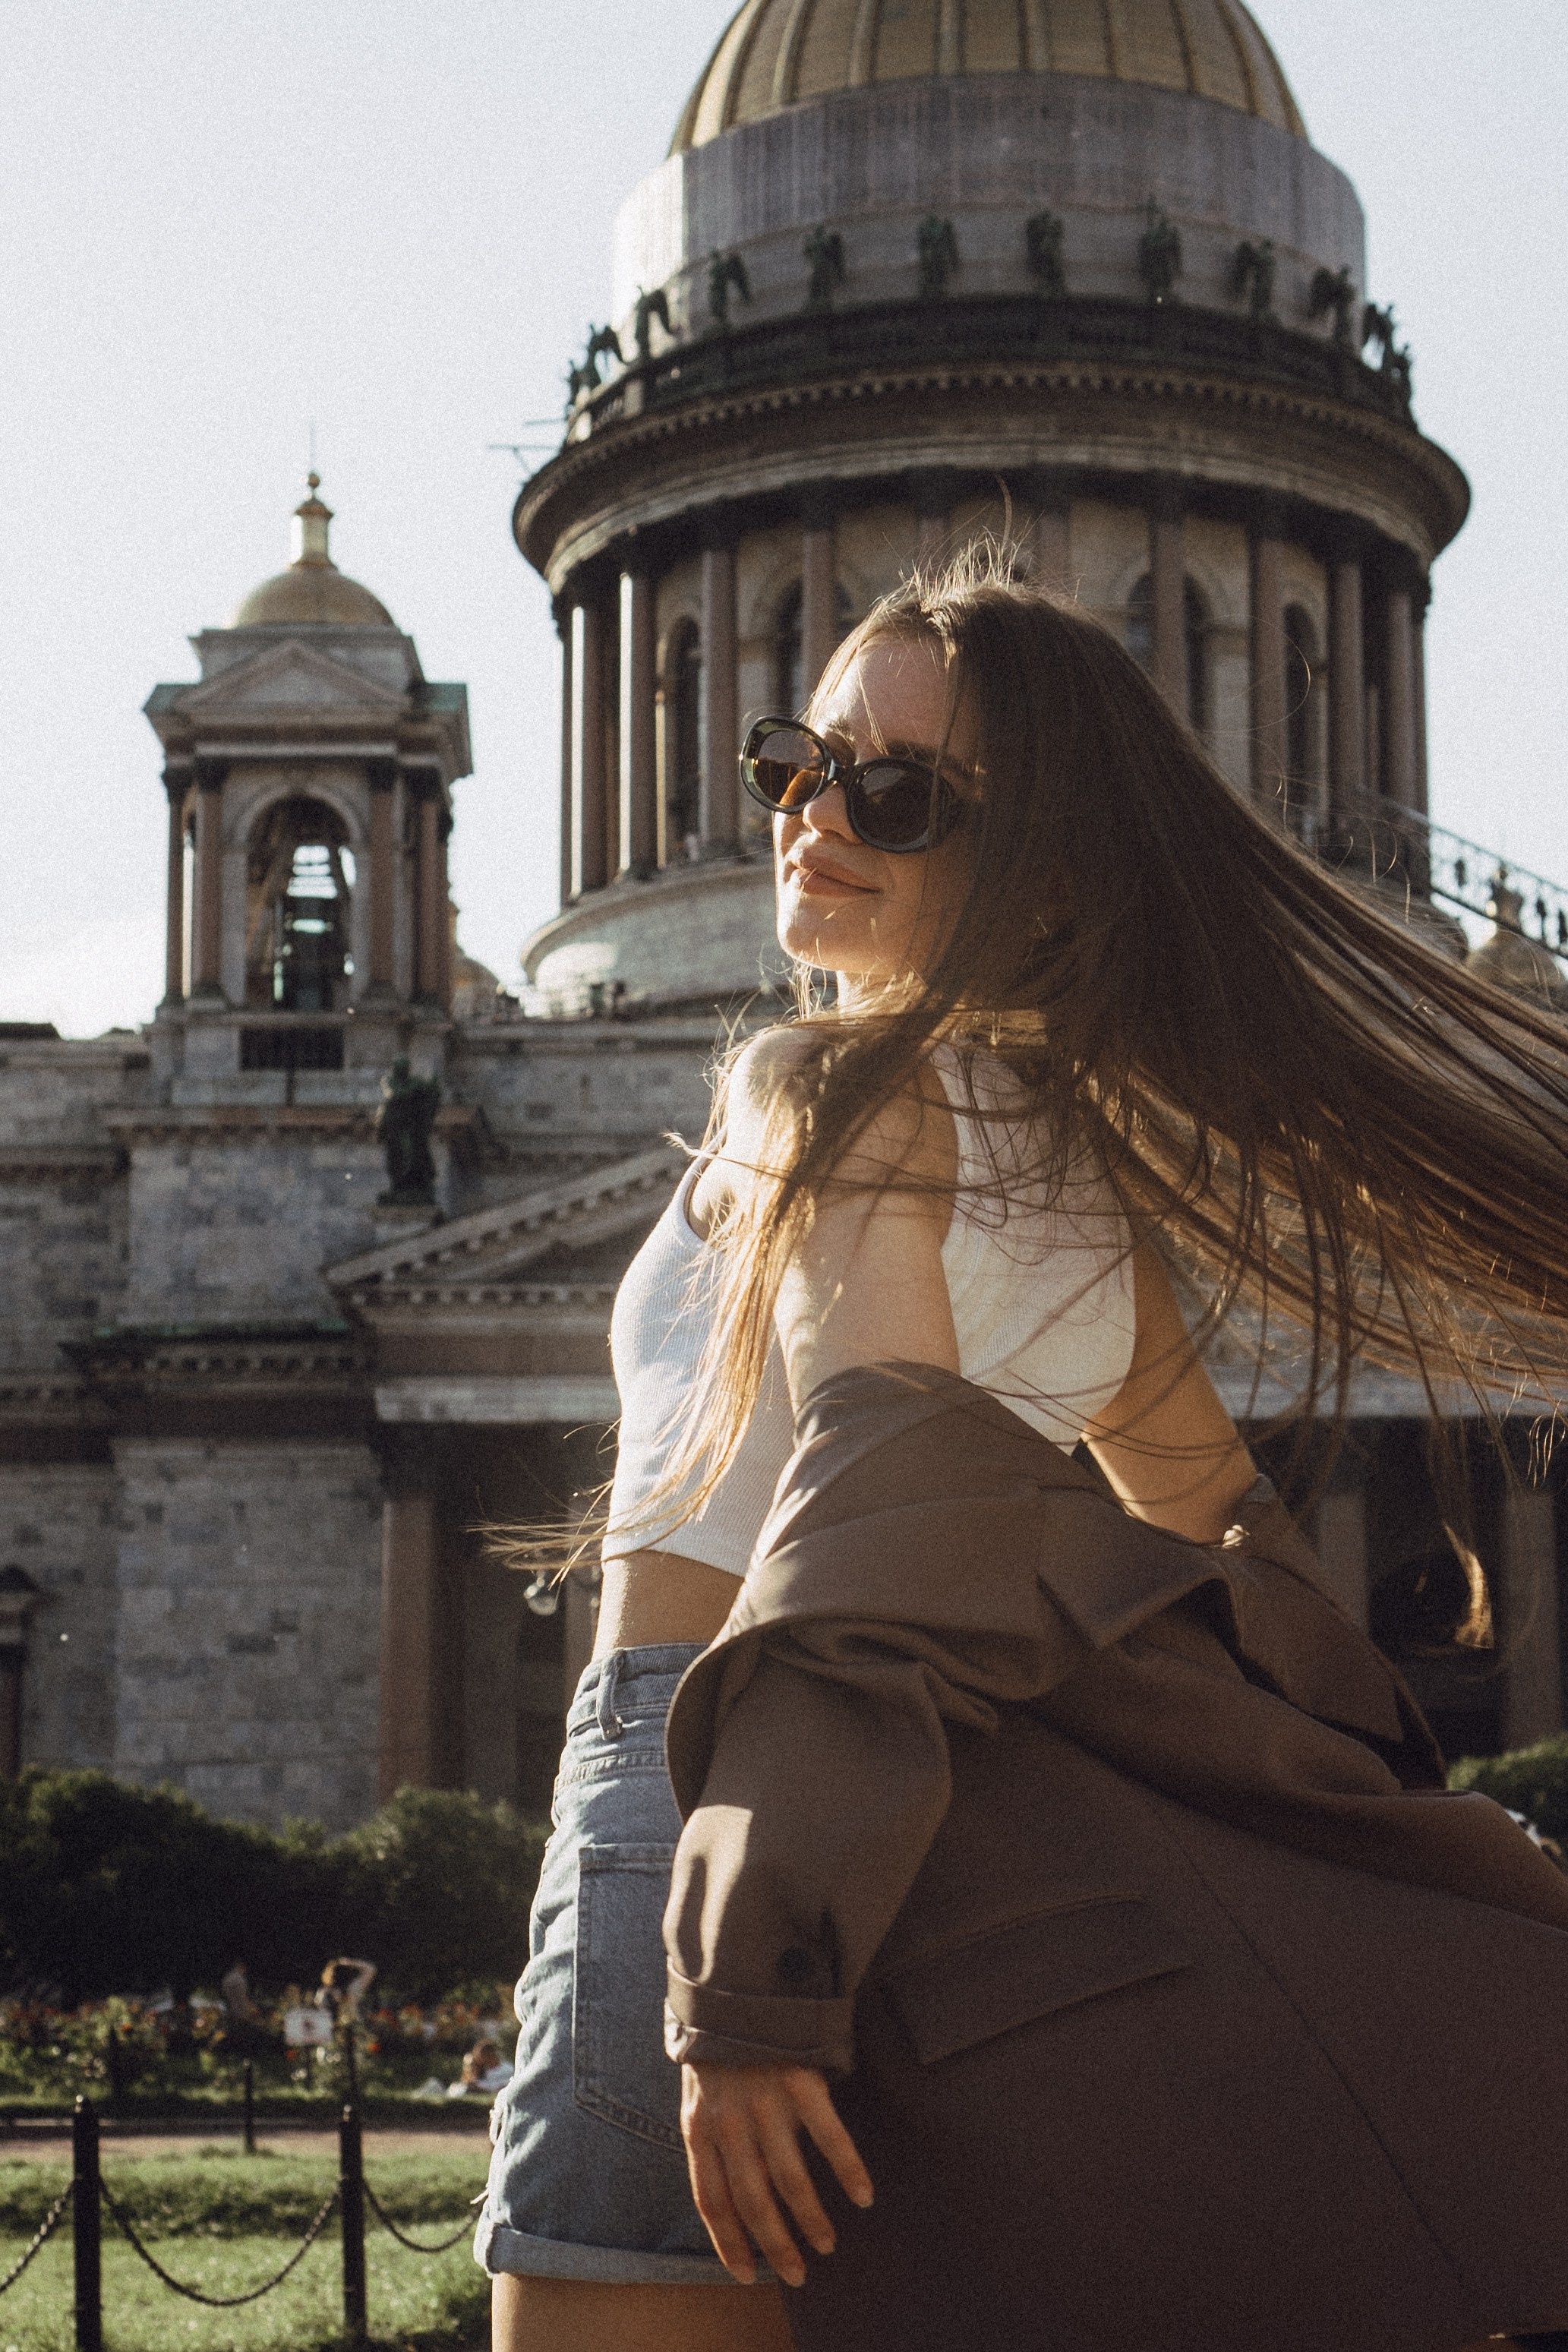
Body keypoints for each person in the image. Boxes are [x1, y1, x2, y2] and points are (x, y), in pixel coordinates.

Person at [478, 557, 1568, 2352]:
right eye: (792, 761)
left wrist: (749, 1975)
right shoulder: (1070, 1159)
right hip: (930, 1832)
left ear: (1044, 860)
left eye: (891, 791)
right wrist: (1367, 1814)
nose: (813, 817)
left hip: (717, 1806)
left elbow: (878, 1467)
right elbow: (1222, 1515)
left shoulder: (830, 1087)